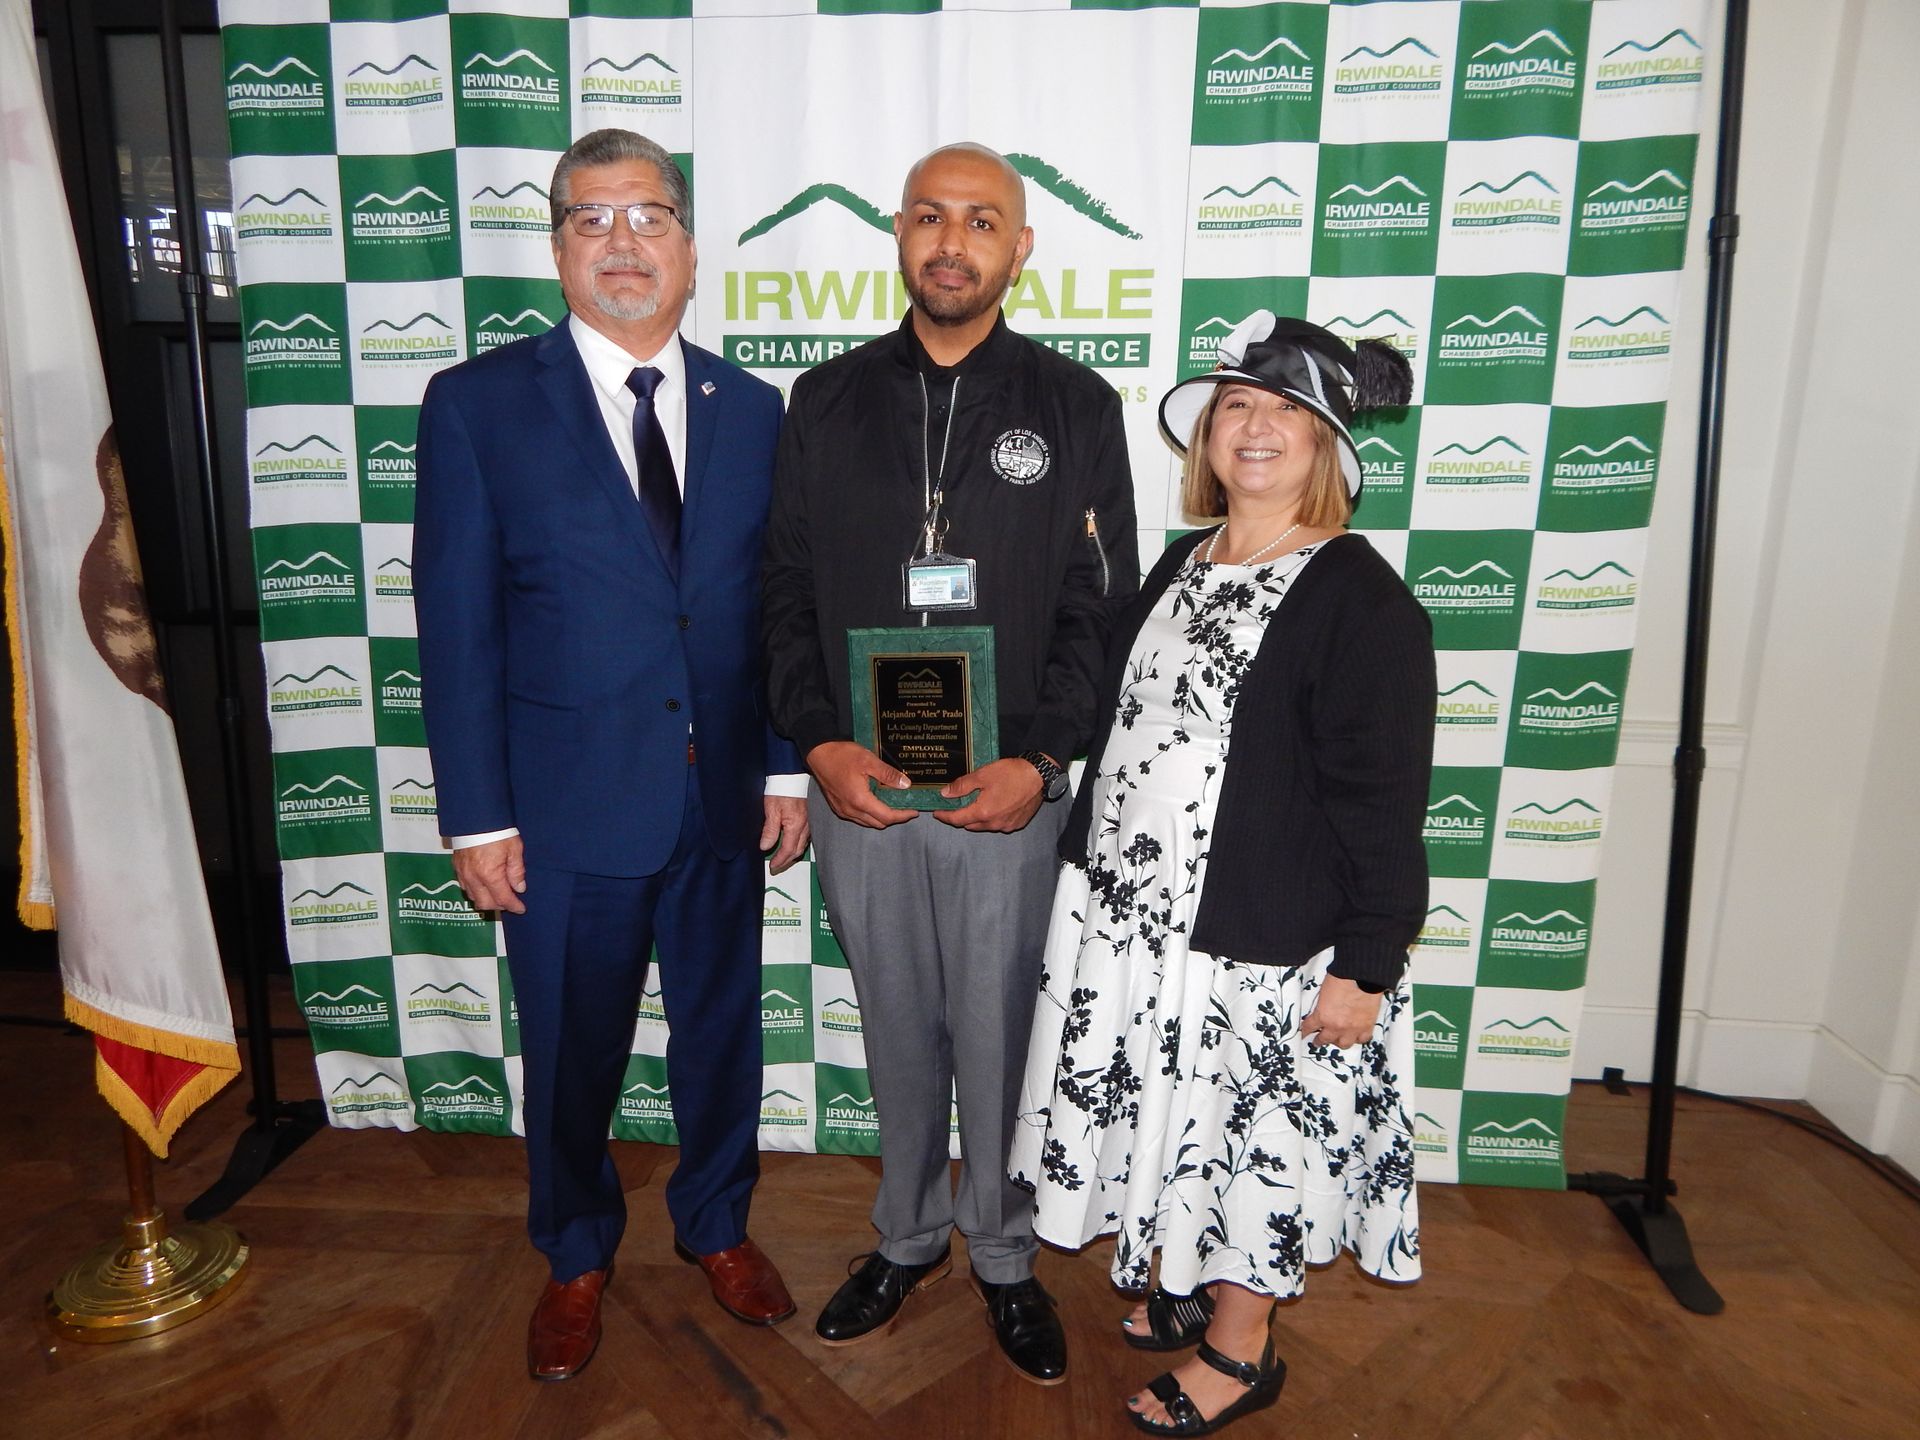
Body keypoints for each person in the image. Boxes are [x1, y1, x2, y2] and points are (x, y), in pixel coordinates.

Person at [414, 129, 808, 1383]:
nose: (623, 243)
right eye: (593, 220)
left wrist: (790, 767)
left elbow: (778, 607)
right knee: (571, 1050)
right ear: (558, 248)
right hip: (565, 810)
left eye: (647, 218)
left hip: (724, 803)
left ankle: (718, 1227)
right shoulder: (478, 404)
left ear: (690, 247)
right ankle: (575, 1250)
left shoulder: (753, 412)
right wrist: (476, 816)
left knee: (721, 1034)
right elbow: (457, 622)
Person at [1008, 311, 1433, 1435]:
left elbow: (1384, 803)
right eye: (1239, 404)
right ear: (1206, 431)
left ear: (1332, 449)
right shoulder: (1177, 563)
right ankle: (1185, 1277)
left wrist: (1369, 963)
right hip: (1139, 929)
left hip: (1264, 943)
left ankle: (1242, 1353)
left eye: (1290, 412)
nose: (1257, 427)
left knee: (1258, 1139)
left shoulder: (1361, 600)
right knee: (1176, 1117)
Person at [761, 141, 1138, 1385]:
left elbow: (1100, 609)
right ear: (899, 235)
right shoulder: (823, 402)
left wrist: (1040, 758)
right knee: (898, 1033)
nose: (951, 241)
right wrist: (818, 742)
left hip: (1006, 797)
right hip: (863, 789)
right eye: (930, 216)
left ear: (1020, 247)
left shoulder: (1077, 407)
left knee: (999, 1032)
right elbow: (782, 593)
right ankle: (908, 1234)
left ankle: (1005, 1254)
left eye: (981, 220)